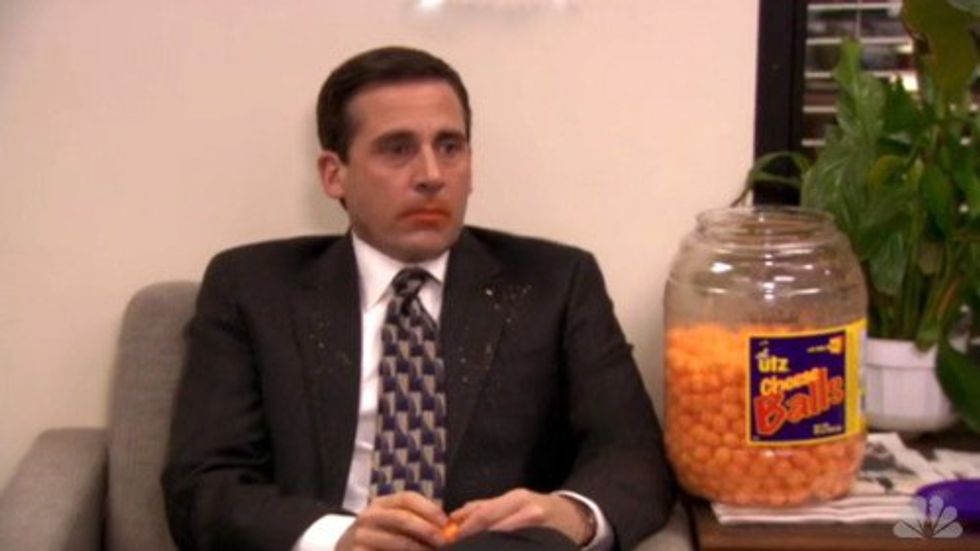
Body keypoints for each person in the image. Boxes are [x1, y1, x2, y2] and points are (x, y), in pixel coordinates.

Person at [162, 46, 675, 551]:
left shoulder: (556, 283)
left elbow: (633, 454)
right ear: (334, 174)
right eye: (397, 149)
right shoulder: (252, 289)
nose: (432, 174)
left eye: (450, 147)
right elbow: (204, 485)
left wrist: (574, 514)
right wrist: (337, 536)